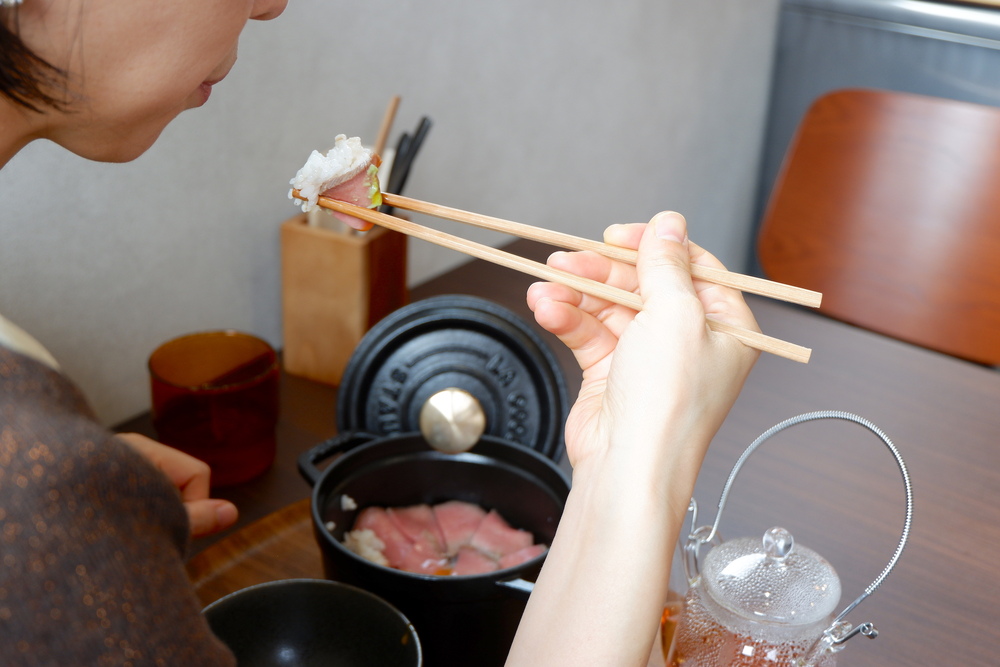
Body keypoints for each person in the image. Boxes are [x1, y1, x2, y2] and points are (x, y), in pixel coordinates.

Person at [1, 2, 759, 665]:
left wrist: (76, 490)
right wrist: (649, 458)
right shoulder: (37, 495)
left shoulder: (40, 478)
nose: (271, 5)